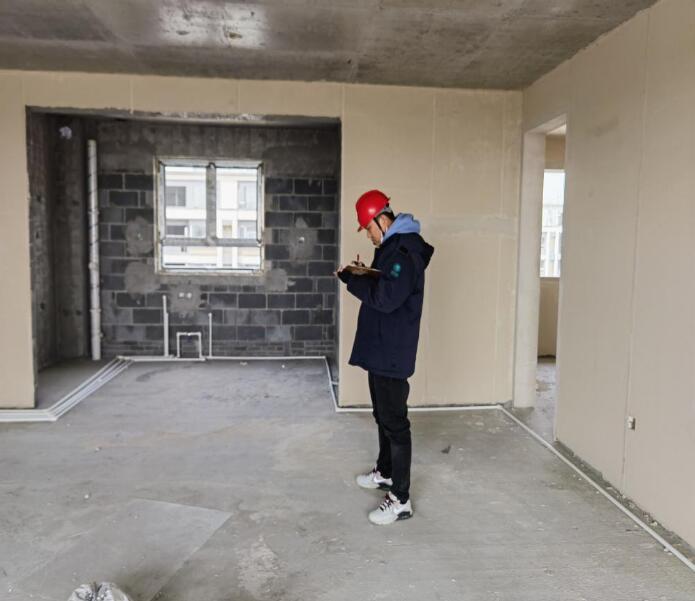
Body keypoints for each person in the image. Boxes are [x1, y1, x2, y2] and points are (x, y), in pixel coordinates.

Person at [336, 189, 434, 525]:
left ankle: (400, 499)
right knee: (382, 415)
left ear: (382, 219)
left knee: (395, 424)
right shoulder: (392, 247)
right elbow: (386, 286)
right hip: (382, 348)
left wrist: (352, 280)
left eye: (368, 228)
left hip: (392, 351)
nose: (368, 235)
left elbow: (387, 299)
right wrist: (363, 274)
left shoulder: (404, 251)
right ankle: (386, 472)